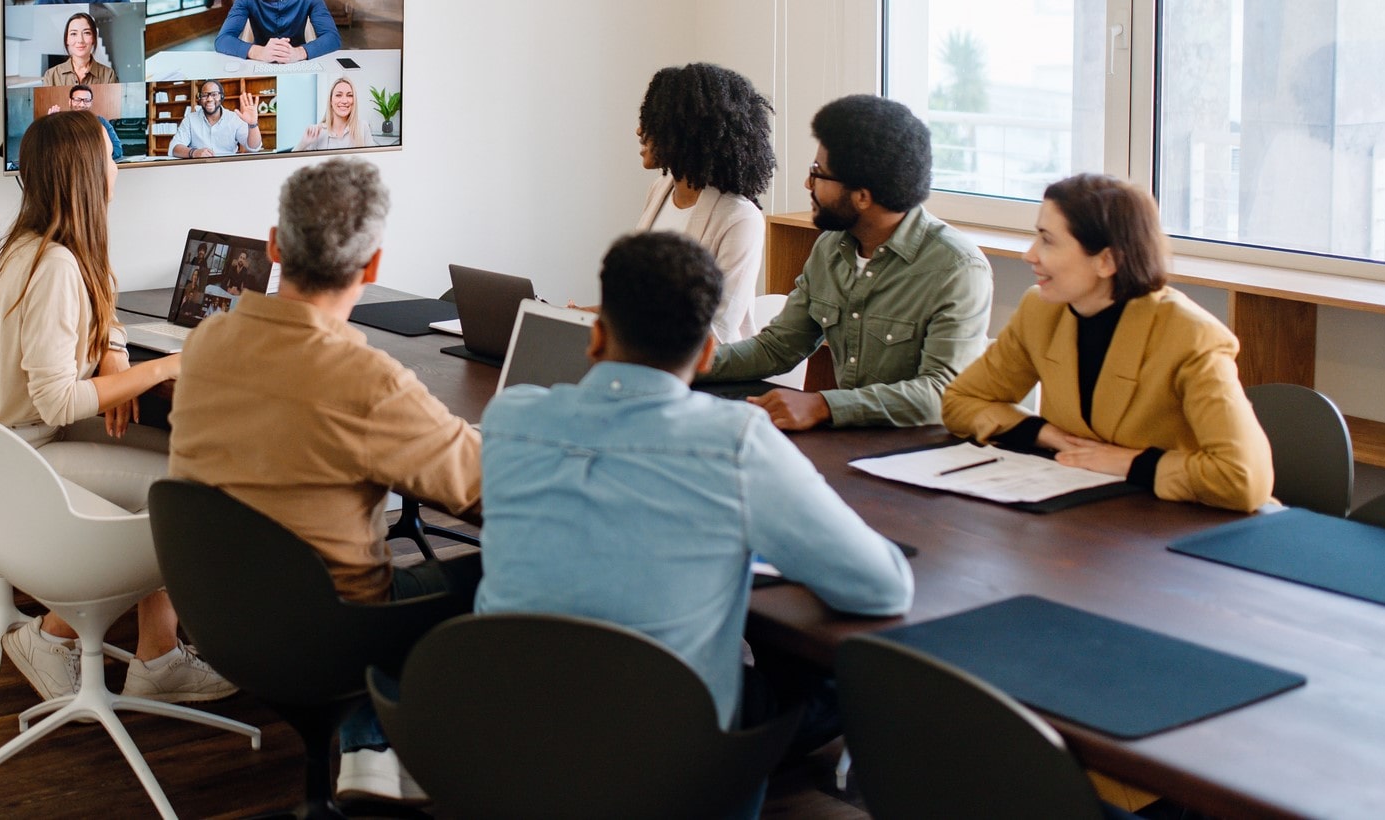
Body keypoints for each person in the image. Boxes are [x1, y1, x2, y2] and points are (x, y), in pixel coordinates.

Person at [477, 232, 913, 820]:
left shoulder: (509, 416)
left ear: (597, 334)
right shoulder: (735, 442)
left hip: (506, 727)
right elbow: (881, 587)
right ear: (708, 353)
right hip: (667, 753)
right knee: (835, 683)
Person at [169, 158, 480, 809]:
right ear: (372, 266)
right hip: (326, 633)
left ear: (275, 245)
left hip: (215, 615)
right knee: (487, 567)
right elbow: (482, 487)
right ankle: (424, 750)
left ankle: (371, 749)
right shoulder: (367, 381)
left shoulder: (205, 342)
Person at [0, 111, 231, 705]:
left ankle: (158, 655)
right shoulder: (54, 266)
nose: (118, 168)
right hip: (15, 452)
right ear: (85, 172)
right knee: (187, 500)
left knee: (188, 462)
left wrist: (116, 359)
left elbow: (103, 317)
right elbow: (55, 401)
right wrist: (171, 365)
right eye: (111, 156)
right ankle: (52, 639)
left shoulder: (47, 245)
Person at [942, 174, 1274, 513]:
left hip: (1177, 522)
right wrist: (1043, 433)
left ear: (1107, 261)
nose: (1030, 255)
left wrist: (1131, 462)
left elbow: (1245, 479)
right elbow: (961, 401)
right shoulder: (1041, 310)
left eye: (1048, 241)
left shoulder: (1192, 336)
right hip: (1082, 510)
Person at [699, 94, 993, 431]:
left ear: (863, 197)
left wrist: (824, 404)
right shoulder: (830, 247)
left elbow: (940, 394)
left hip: (920, 452)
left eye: (817, 173)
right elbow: (778, 347)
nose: (807, 184)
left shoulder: (956, 268)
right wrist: (693, 364)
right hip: (849, 441)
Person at [632, 63, 773, 343]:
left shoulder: (740, 217)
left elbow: (717, 329)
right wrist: (584, 316)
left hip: (706, 371)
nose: (639, 131)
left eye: (652, 122)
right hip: (643, 357)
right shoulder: (660, 191)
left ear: (687, 131)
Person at [170, 81, 262, 158]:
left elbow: (253, 148)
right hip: (199, 170)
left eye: (214, 94)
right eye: (205, 95)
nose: (209, 99)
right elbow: (174, 148)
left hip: (227, 169)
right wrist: (194, 152)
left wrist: (253, 124)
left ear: (222, 97)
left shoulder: (233, 118)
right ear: (200, 98)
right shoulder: (190, 119)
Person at [45, 83, 123, 161]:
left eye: (86, 100)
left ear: (91, 102)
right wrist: (51, 126)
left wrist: (91, 160)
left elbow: (117, 150)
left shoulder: (101, 122)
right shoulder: (61, 122)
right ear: (70, 101)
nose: (82, 105)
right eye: (77, 100)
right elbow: (49, 151)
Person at [40, 12, 116, 86]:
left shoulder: (109, 75)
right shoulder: (51, 76)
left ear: (93, 38)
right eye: (73, 34)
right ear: (67, 40)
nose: (80, 40)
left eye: (86, 33)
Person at [294, 76, 370, 150]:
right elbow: (290, 160)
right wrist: (303, 143)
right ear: (330, 100)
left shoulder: (363, 127)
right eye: (338, 95)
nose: (344, 101)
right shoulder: (318, 132)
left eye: (349, 95)